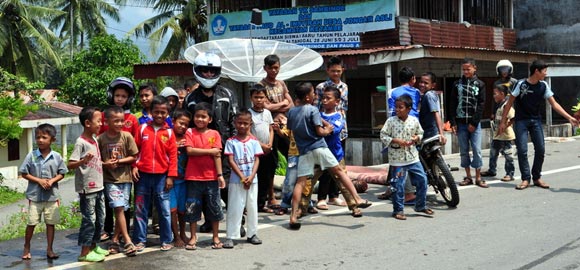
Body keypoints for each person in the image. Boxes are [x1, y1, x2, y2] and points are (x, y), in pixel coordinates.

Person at [287, 82, 371, 230]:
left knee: (302, 183)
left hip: (309, 151)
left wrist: (321, 121)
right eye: (315, 94)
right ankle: (357, 198)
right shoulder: (314, 110)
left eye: (327, 98)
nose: (320, 98)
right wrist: (325, 130)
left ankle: (293, 215)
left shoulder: (293, 112)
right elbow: (322, 132)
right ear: (308, 97)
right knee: (337, 174)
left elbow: (291, 129)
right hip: (320, 149)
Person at [498, 60, 579, 190]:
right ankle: (525, 179)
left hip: (536, 121)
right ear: (537, 71)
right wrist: (503, 122)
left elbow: (554, 104)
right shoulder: (521, 84)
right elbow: (509, 103)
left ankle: (536, 177)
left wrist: (569, 117)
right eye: (544, 71)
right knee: (522, 151)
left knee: (540, 150)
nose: (546, 73)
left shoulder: (544, 86)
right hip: (521, 121)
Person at [183, 52, 238, 233]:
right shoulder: (190, 99)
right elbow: (185, 124)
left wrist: (234, 146)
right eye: (204, 70)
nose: (207, 74)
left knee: (227, 188)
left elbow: (234, 122)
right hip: (199, 151)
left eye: (211, 70)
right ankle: (208, 221)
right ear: (197, 71)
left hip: (223, 149)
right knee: (205, 189)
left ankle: (237, 223)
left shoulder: (228, 94)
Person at [131, 96, 177, 252]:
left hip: (162, 177)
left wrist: (171, 176)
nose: (159, 115)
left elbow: (173, 157)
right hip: (142, 176)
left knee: (164, 210)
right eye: (156, 111)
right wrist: (134, 166)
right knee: (140, 209)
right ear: (151, 111)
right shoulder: (142, 128)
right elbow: (135, 151)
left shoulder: (170, 133)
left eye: (163, 112)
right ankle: (139, 240)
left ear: (168, 114)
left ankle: (166, 239)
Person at [99, 77, 139, 242]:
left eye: (124, 96)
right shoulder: (104, 116)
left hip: (126, 171)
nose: (120, 99)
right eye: (117, 95)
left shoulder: (133, 120)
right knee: (109, 202)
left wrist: (135, 165)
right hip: (107, 170)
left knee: (125, 202)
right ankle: (108, 229)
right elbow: (98, 141)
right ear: (111, 96)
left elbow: (137, 146)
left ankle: (123, 231)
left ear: (129, 98)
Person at [19, 123, 68, 261]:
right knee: (31, 223)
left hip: (51, 197)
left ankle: (50, 249)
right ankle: (27, 247)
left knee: (50, 223)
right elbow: (24, 173)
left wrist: (52, 181)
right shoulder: (32, 156)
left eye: (44, 137)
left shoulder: (56, 156)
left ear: (52, 139)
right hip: (35, 197)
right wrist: (39, 180)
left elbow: (62, 173)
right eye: (38, 137)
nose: (40, 140)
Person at [380, 95, 433, 220]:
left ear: (408, 109)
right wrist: (395, 140)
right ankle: (398, 210)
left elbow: (420, 133)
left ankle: (420, 205)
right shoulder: (391, 121)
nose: (397, 109)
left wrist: (416, 138)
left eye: (400, 107)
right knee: (398, 185)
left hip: (413, 157)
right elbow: (383, 135)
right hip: (397, 160)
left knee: (422, 180)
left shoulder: (414, 120)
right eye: (396, 107)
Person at [67, 107, 110, 262]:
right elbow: (70, 164)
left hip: (99, 186)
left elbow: (95, 162)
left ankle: (93, 246)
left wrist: (106, 163)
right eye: (98, 121)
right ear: (87, 123)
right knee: (89, 219)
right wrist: (82, 161)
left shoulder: (94, 140)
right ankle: (84, 252)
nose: (101, 124)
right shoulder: (81, 142)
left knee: (100, 218)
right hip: (88, 188)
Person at [183, 102, 226, 250]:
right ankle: (193, 236)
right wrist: (210, 151)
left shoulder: (214, 134)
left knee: (214, 208)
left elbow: (217, 156)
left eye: (203, 117)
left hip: (211, 178)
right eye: (197, 116)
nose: (200, 119)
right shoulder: (189, 132)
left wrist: (220, 175)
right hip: (193, 178)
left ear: (210, 119)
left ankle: (215, 236)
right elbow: (189, 151)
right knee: (192, 208)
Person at [377, 67, 422, 201]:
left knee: (397, 158)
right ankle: (404, 191)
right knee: (404, 159)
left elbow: (391, 109)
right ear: (412, 79)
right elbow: (417, 107)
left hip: (396, 126)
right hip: (413, 125)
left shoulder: (392, 92)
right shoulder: (417, 91)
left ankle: (397, 189)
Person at [223, 109, 264, 249]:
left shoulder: (254, 141)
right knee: (235, 207)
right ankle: (231, 235)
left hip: (253, 180)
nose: (242, 126)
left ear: (250, 124)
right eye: (239, 123)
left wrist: (251, 176)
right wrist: (242, 177)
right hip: (236, 180)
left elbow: (257, 159)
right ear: (235, 123)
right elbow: (231, 160)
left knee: (252, 207)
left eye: (245, 123)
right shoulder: (231, 141)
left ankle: (252, 233)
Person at [319, 86, 362, 217]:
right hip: (318, 153)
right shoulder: (317, 114)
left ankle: (354, 206)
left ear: (337, 101)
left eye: (328, 98)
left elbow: (333, 131)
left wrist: (319, 123)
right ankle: (304, 207)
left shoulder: (338, 116)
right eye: (323, 98)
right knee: (309, 181)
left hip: (335, 155)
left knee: (343, 182)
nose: (325, 100)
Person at [314, 56, 350, 209]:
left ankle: (334, 195)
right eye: (333, 71)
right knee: (325, 165)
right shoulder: (321, 87)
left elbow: (345, 108)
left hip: (340, 128)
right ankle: (321, 197)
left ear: (342, 70)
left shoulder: (345, 86)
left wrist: (340, 126)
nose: (336, 73)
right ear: (327, 71)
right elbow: (316, 109)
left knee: (338, 163)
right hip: (324, 128)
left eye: (338, 71)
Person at [450, 58, 488, 188]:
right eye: (464, 69)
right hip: (460, 124)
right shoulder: (457, 84)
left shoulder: (480, 84)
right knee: (464, 151)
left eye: (468, 69)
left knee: (477, 150)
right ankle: (468, 176)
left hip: (475, 124)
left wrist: (474, 122)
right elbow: (452, 104)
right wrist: (453, 122)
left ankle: (478, 177)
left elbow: (482, 105)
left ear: (474, 68)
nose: (466, 71)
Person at [258, 54, 293, 175]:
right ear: (265, 68)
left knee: (290, 154)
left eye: (276, 67)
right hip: (270, 127)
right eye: (271, 67)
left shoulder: (281, 83)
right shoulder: (261, 85)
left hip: (284, 125)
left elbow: (291, 104)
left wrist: (278, 106)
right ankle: (270, 191)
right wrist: (283, 103)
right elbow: (266, 107)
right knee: (272, 159)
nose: (274, 70)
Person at [248, 84, 276, 213]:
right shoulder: (249, 113)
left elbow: (271, 129)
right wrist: (261, 145)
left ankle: (261, 204)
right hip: (254, 150)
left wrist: (269, 144)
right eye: (256, 97)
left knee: (266, 177)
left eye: (261, 97)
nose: (259, 100)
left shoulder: (268, 113)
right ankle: (250, 205)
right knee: (253, 177)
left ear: (265, 98)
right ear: (251, 98)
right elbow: (248, 133)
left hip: (267, 150)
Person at [480, 85, 515, 181]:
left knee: (508, 155)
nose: (494, 96)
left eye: (495, 94)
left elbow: (513, 118)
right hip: (497, 136)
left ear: (502, 94)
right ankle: (492, 170)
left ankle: (510, 173)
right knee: (493, 153)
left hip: (505, 136)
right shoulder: (499, 105)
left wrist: (504, 126)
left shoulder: (506, 106)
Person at [169, 108, 191, 248]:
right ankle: (175, 236)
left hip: (184, 180)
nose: (182, 126)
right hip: (170, 180)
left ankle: (183, 233)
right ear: (173, 122)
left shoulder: (188, 138)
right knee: (172, 210)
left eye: (185, 125)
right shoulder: (167, 136)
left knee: (182, 209)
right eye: (180, 123)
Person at [418, 72, 447, 144]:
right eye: (421, 82)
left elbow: (436, 113)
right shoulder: (428, 95)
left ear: (433, 85)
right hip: (428, 133)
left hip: (431, 134)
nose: (422, 85)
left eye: (426, 83)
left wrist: (441, 133)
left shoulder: (429, 95)